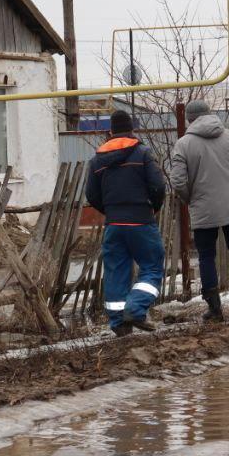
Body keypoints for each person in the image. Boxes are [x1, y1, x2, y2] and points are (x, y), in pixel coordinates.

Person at [169, 99, 229, 321]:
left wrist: (191, 199)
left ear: (190, 119)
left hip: (203, 209)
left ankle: (215, 309)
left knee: (206, 255)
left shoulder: (183, 144)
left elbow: (178, 182)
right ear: (210, 114)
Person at [85, 109, 167, 336]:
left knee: (116, 271)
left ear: (110, 131)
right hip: (141, 221)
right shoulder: (142, 153)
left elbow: (91, 195)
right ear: (132, 129)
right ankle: (136, 308)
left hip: (114, 224)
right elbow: (158, 186)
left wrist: (110, 210)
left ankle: (119, 323)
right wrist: (153, 206)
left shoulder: (97, 160)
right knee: (151, 266)